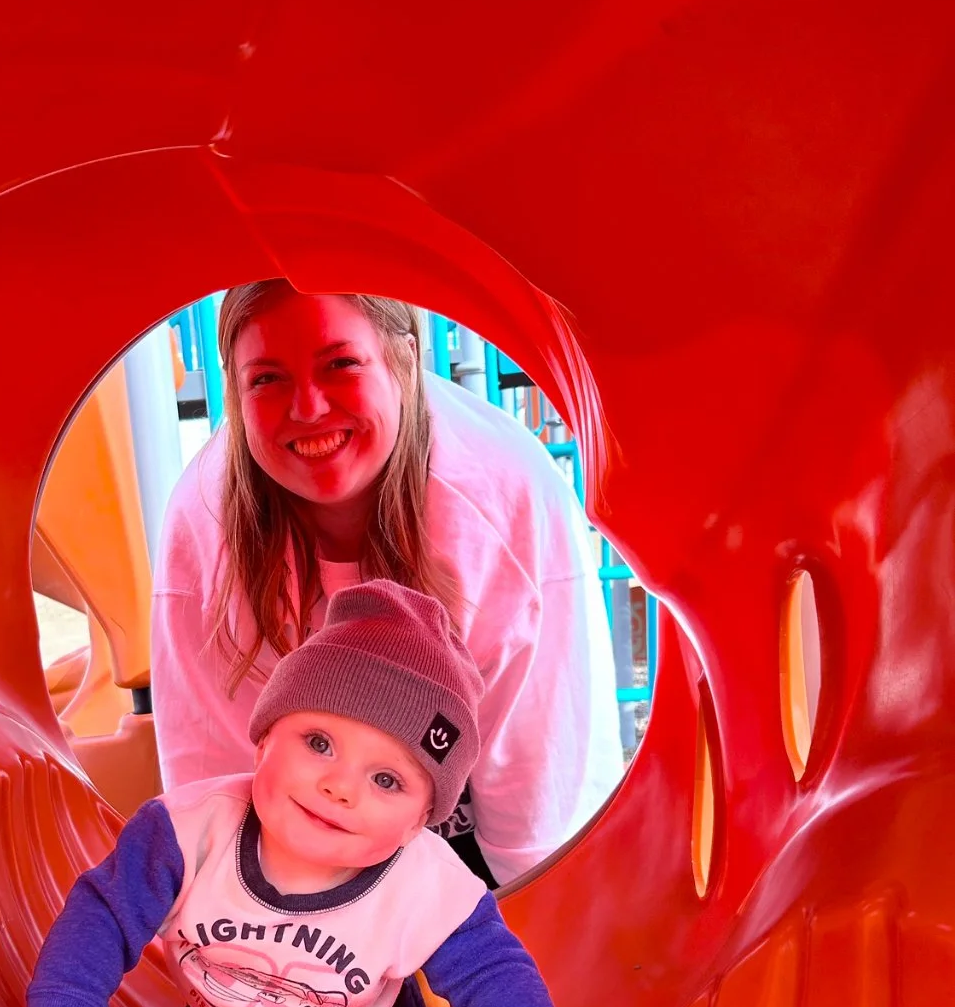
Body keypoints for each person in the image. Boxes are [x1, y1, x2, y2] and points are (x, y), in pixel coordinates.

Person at [0, 582, 570, 1007]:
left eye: (386, 780)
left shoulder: (424, 882)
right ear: (265, 739)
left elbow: (494, 969)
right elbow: (99, 925)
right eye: (319, 742)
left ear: (421, 820)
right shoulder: (185, 833)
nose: (340, 787)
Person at [151, 281, 623, 887]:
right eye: (267, 379)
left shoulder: (497, 499)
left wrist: (534, 916)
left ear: (403, 357)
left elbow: (541, 780)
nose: (309, 408)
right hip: (305, 838)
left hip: (470, 831)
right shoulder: (209, 524)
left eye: (340, 363)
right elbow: (214, 781)